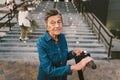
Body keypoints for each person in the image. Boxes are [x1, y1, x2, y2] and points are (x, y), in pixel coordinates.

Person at [36, 9, 94, 80]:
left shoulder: (62, 37)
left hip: (62, 77)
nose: (57, 25)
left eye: (59, 22)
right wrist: (77, 66)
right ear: (47, 26)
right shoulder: (41, 43)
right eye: (53, 23)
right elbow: (49, 70)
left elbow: (62, 56)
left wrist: (73, 53)